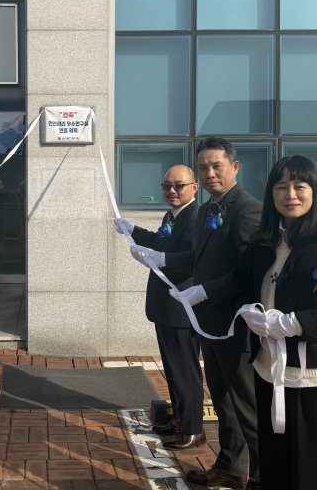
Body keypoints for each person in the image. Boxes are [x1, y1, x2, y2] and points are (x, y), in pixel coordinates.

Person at [203, 156, 317, 490]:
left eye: (299, 186)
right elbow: (242, 282)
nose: (290, 194)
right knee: (275, 467)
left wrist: (297, 323)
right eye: (281, 187)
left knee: (315, 470)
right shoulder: (264, 242)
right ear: (271, 195)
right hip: (269, 371)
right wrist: (246, 310)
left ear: (314, 191)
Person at [130, 137, 262, 490]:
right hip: (209, 323)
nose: (209, 173)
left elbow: (245, 271)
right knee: (223, 402)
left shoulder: (247, 210)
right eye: (203, 167)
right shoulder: (209, 210)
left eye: (216, 166)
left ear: (234, 167)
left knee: (246, 407)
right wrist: (161, 258)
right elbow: (196, 258)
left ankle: (261, 476)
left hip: (234, 324)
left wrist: (206, 290)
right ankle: (230, 466)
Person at [113, 165, 205, 449]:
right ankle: (179, 417)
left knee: (185, 370)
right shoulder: (173, 215)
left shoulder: (197, 217)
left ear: (194, 187)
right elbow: (160, 240)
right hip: (165, 307)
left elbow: (192, 258)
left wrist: (161, 258)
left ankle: (193, 428)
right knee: (172, 368)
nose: (172, 191)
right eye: (167, 186)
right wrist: (135, 232)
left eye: (178, 185)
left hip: (182, 308)